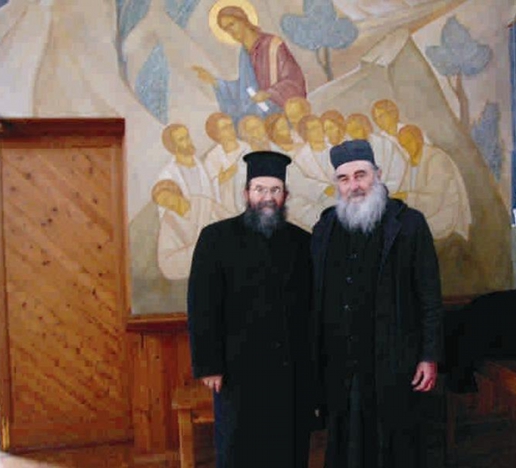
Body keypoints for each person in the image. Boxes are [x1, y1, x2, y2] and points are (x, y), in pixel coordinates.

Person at [311, 139, 443, 468]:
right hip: (340, 361)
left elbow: (429, 294)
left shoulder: (409, 224)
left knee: (393, 444)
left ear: (378, 175)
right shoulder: (325, 227)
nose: (353, 185)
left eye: (361, 175)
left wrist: (429, 356)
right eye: (344, 179)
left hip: (392, 358)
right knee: (346, 442)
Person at [187, 151, 313, 467]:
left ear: (285, 196)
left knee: (288, 450)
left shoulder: (303, 242)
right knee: (239, 450)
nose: (267, 197)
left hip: (289, 371)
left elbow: (312, 309)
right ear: (246, 194)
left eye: (275, 190)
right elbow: (202, 304)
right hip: (237, 371)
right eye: (260, 189)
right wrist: (209, 365)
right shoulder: (216, 238)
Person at [194, 6, 306, 121]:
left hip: (282, 114)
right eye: (226, 29)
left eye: (232, 24)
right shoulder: (244, 54)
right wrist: (215, 82)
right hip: (263, 117)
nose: (230, 31)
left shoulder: (273, 45)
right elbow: (246, 89)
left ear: (243, 20)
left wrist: (269, 93)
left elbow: (295, 80)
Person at [153, 123, 225, 280]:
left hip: (209, 218)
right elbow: (169, 211)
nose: (188, 141)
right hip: (187, 231)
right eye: (181, 139)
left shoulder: (200, 165)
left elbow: (212, 196)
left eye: (187, 136)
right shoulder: (168, 175)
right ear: (173, 146)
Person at [203, 112, 251, 216]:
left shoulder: (247, 148)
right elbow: (210, 186)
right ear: (216, 134)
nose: (231, 130)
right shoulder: (212, 157)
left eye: (231, 126)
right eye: (225, 128)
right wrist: (227, 174)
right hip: (227, 207)